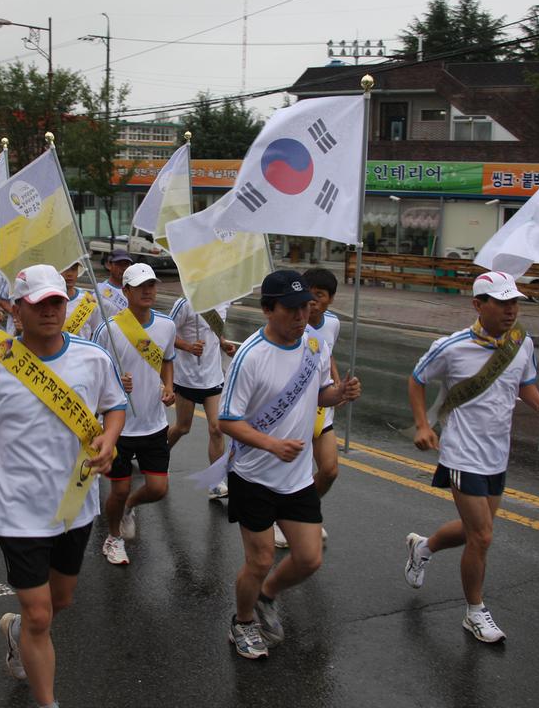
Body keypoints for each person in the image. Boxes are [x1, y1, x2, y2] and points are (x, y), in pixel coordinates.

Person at [0, 264, 125, 708]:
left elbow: (114, 407)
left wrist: (109, 441)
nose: (51, 311)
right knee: (40, 614)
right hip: (17, 506)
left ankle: (16, 631)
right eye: (39, 304)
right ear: (17, 310)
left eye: (57, 301)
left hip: (75, 503)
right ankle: (47, 701)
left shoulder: (93, 358)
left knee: (61, 603)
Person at [404, 271, 539, 644]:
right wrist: (423, 426)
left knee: (476, 529)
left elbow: (524, 382)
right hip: (461, 453)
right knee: (483, 536)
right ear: (478, 305)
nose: (511, 311)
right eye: (502, 303)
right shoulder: (451, 346)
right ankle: (474, 612)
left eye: (514, 303)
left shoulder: (522, 343)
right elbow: (417, 379)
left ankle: (423, 547)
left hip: (497, 453)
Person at [218, 270, 361, 660]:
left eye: (306, 308)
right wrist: (270, 444)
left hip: (295, 478)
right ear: (268, 309)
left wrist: (340, 394)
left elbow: (320, 395)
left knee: (309, 558)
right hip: (253, 475)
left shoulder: (313, 344)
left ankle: (266, 596)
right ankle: (242, 621)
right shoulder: (250, 357)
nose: (301, 317)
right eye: (292, 309)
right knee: (261, 558)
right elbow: (227, 420)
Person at [92, 263, 176, 566]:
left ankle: (128, 507)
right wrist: (116, 380)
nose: (148, 291)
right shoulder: (109, 330)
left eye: (152, 285)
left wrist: (168, 386)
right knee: (119, 488)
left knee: (157, 488)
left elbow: (167, 360)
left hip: (154, 424)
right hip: (120, 429)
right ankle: (113, 538)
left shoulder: (167, 325)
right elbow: (95, 373)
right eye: (141, 286)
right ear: (125, 291)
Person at [272, 266, 343, 548]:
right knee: (291, 471)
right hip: (292, 407)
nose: (312, 302)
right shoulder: (289, 322)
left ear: (331, 299)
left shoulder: (333, 323)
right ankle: (287, 518)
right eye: (309, 294)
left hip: (320, 407)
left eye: (320, 295)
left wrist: (338, 385)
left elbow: (328, 356)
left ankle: (300, 514)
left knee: (329, 470)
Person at [166, 297, 236, 499]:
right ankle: (159, 455)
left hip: (213, 377)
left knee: (216, 428)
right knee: (182, 427)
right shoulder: (184, 303)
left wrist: (222, 343)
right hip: (187, 378)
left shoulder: (224, 302)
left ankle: (215, 483)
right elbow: (167, 333)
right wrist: (188, 347)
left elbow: (214, 330)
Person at [61, 261, 101, 339]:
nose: (69, 274)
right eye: (65, 269)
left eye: (74, 269)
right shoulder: (46, 300)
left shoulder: (89, 301)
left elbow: (95, 333)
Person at [95, 250, 132, 319]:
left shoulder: (135, 289)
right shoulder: (99, 291)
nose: (124, 268)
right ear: (108, 265)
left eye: (126, 264)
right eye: (119, 264)